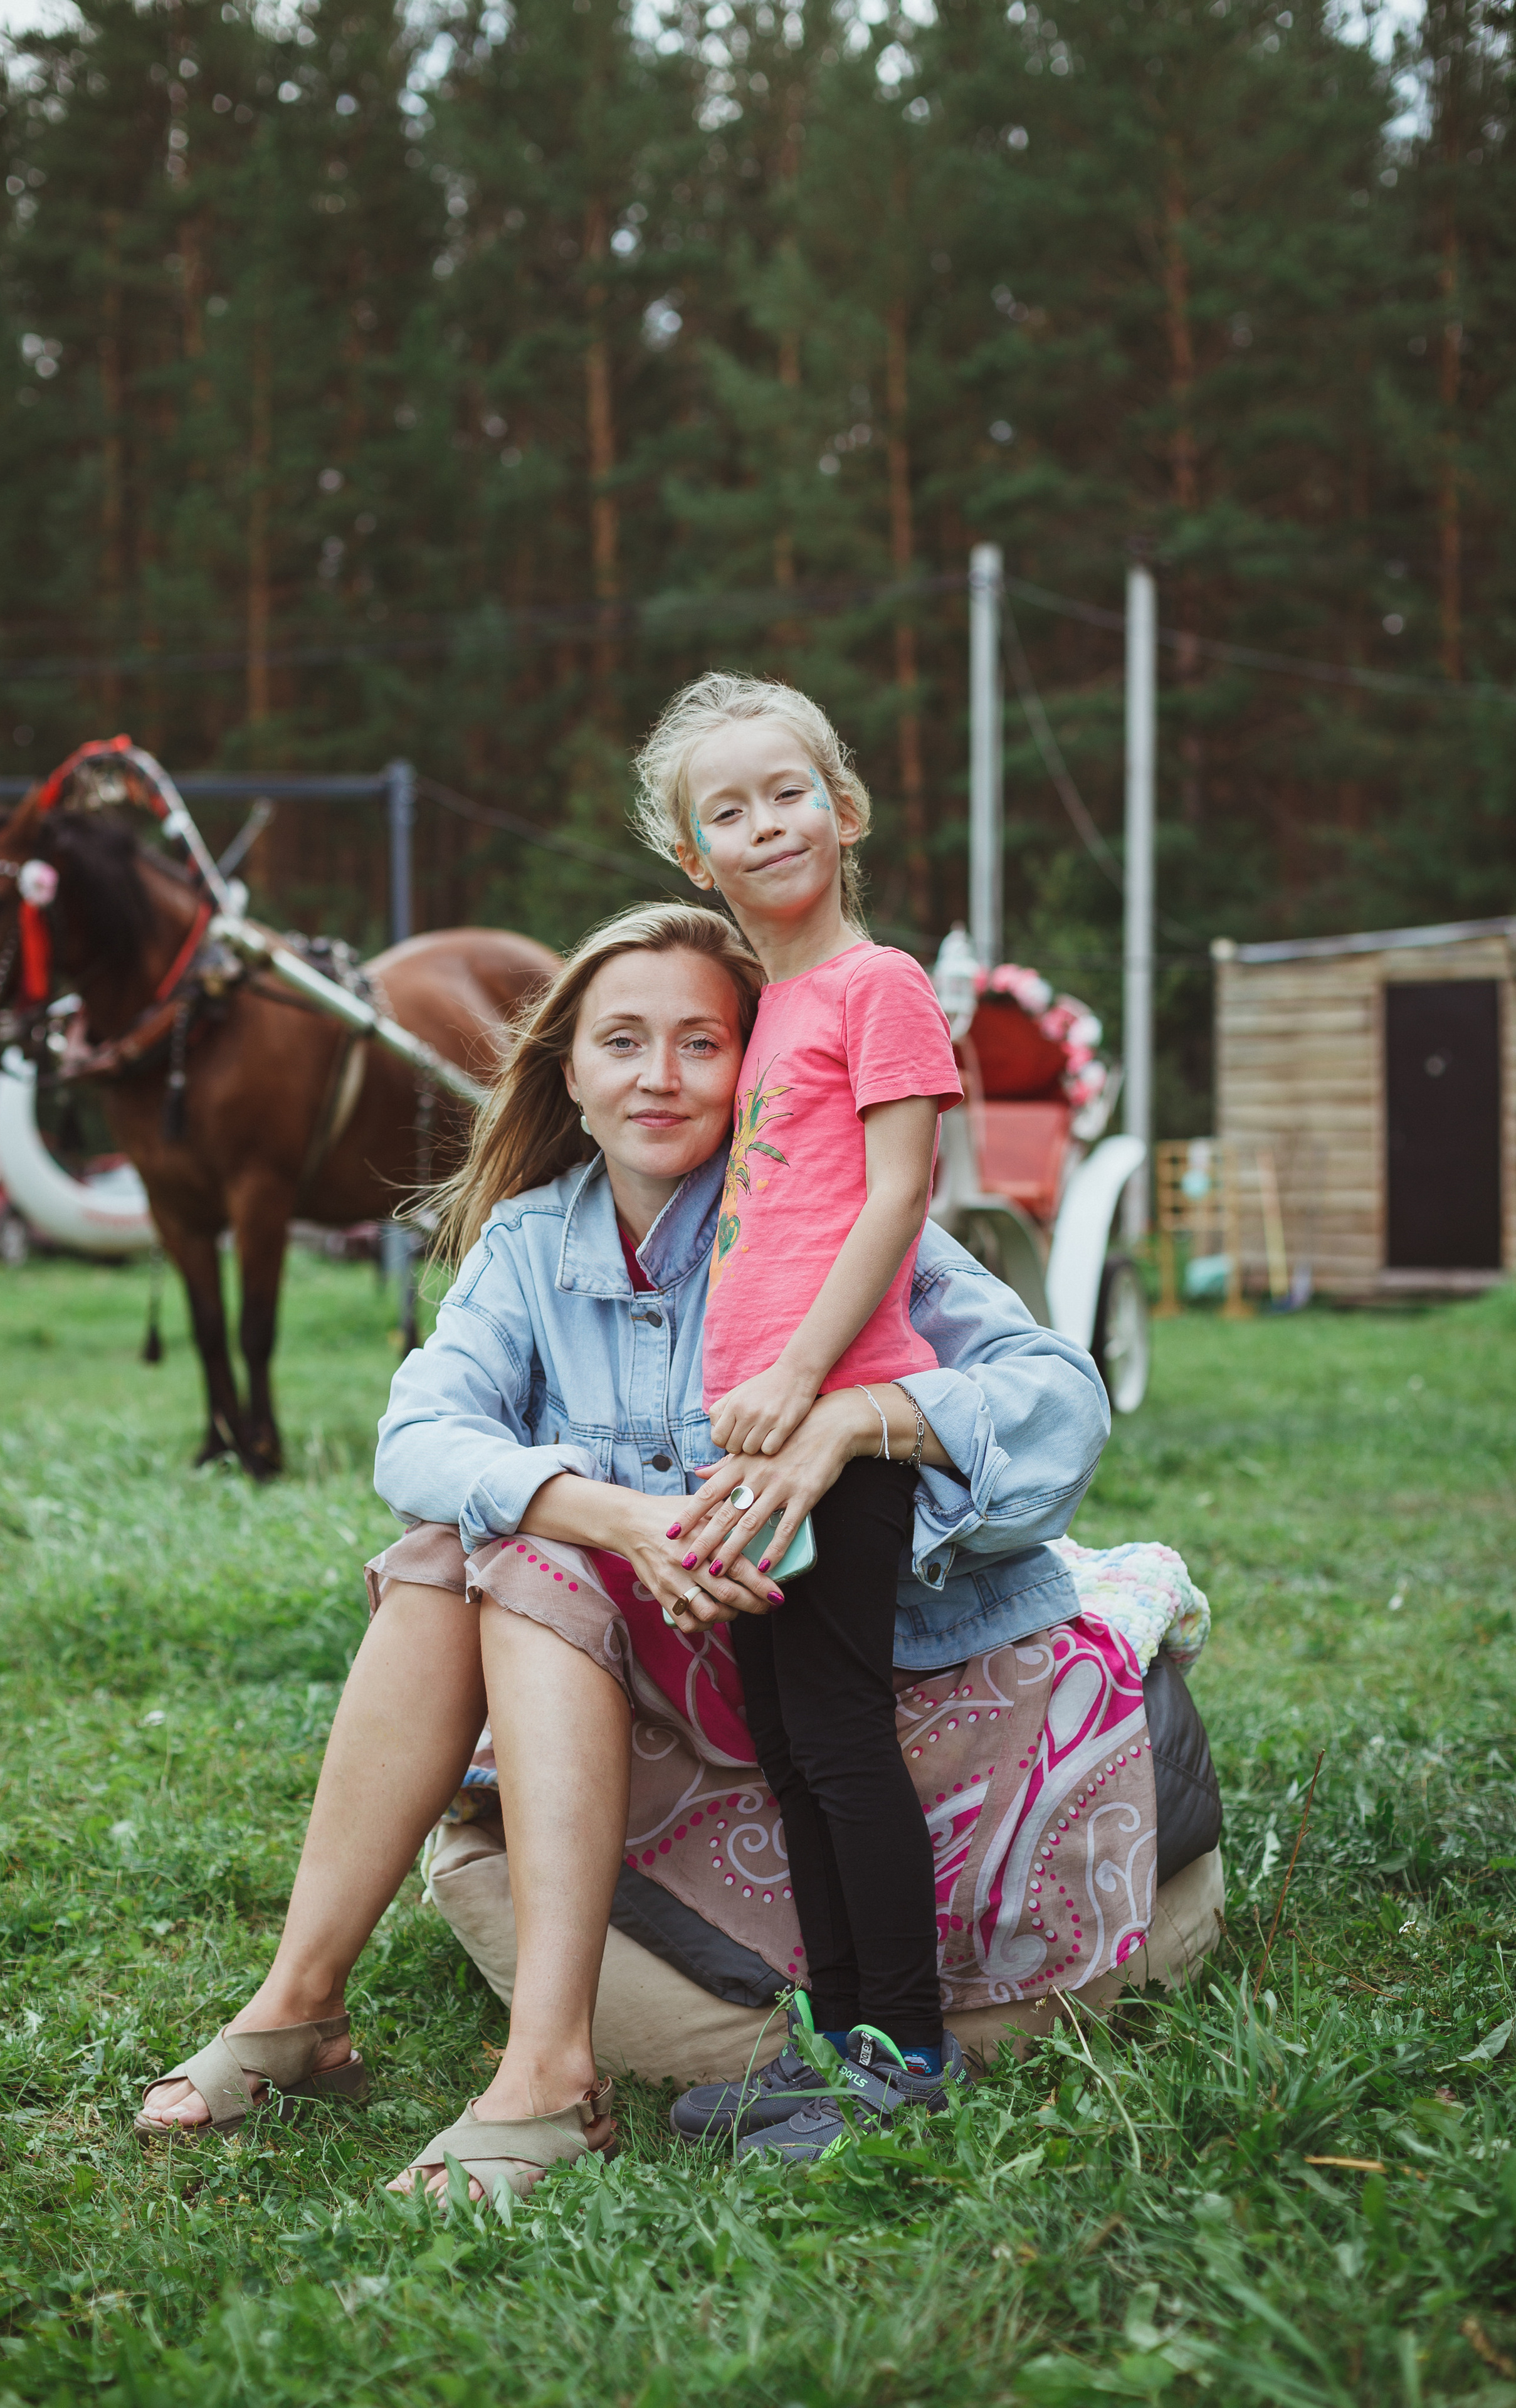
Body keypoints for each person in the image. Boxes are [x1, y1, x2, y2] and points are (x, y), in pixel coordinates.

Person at [134, 900, 1110, 2204]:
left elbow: (1059, 1401)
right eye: (622, 1042)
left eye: (701, 1044)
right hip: (635, 1662)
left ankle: (546, 2073)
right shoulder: (532, 1245)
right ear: (568, 1071)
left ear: (753, 1073)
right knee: (456, 1546)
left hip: (817, 1647)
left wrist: (845, 1424)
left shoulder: (828, 1226)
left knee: (510, 1554)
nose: (659, 1077)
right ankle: (302, 2000)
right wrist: (612, 1515)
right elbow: (416, 1434)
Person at [627, 673, 965, 2141]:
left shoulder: (878, 983)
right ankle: (839, 2038)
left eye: (789, 793)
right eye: (729, 810)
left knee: (836, 1732)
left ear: (843, 810)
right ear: (693, 858)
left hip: (834, 1424)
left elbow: (896, 1195)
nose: (766, 823)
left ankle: (906, 2054)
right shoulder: (767, 1015)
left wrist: (796, 1377)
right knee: (784, 1733)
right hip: (755, 1437)